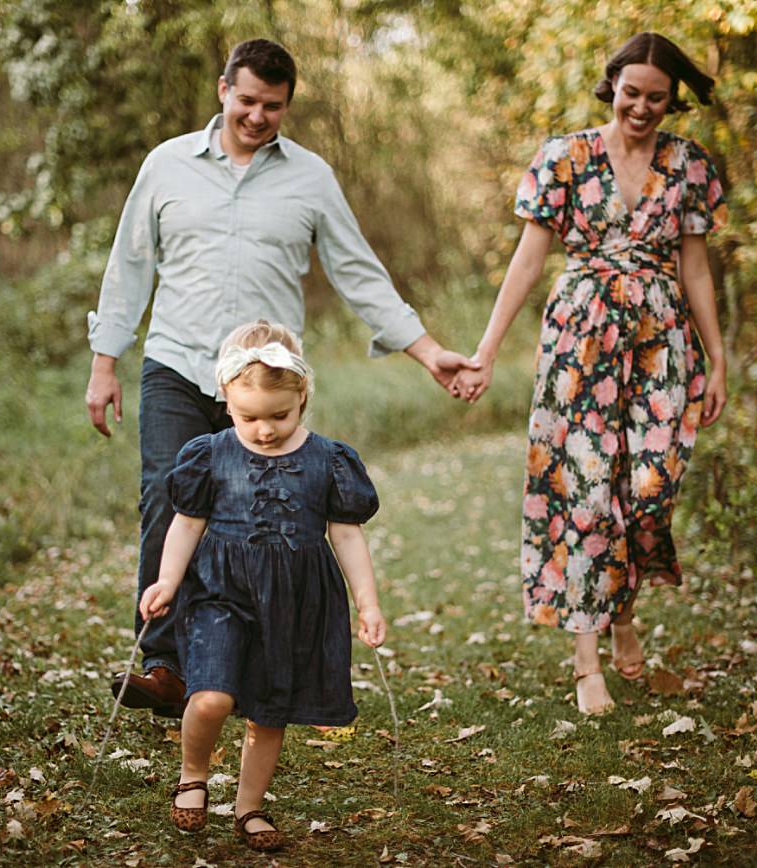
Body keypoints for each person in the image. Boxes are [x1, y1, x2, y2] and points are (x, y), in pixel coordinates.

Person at [87, 38, 471, 716]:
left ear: (287, 105)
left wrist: (427, 348)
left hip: (268, 384)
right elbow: (130, 267)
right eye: (247, 100)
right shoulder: (167, 165)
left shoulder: (311, 178)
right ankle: (166, 666)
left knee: (275, 519)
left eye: (273, 106)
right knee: (167, 500)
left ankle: (248, 664)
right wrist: (104, 364)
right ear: (222, 90)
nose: (258, 116)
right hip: (178, 363)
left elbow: (358, 271)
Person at [451, 32, 729, 715]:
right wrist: (486, 349)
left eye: (656, 98)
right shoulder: (565, 158)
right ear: (613, 85)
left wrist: (718, 358)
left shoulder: (688, 164)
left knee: (649, 488)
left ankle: (623, 608)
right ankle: (586, 660)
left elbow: (695, 266)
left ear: (672, 100)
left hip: (661, 340)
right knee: (583, 492)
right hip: (579, 338)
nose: (641, 107)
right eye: (631, 93)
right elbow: (526, 260)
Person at [138, 320, 385, 852]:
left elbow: (346, 535)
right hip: (219, 594)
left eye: (280, 415)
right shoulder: (210, 454)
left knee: (269, 713)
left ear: (302, 398)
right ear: (225, 399)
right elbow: (186, 522)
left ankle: (249, 807)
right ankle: (193, 776)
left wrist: (368, 603)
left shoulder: (327, 460)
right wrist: (166, 580)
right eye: (249, 416)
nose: (265, 429)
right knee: (212, 696)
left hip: (294, 603)